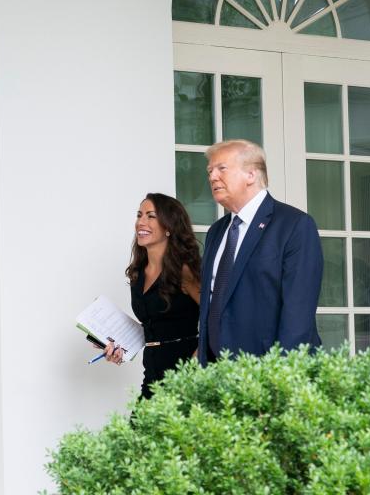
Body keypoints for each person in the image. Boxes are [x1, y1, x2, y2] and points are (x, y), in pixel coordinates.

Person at [198, 139, 323, 365]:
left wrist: (280, 376)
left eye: (221, 169)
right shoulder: (216, 232)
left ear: (251, 175)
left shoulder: (294, 225)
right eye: (210, 171)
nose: (213, 177)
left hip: (269, 375)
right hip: (218, 374)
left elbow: (298, 315)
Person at [101, 193, 201, 398]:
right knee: (137, 429)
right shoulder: (137, 273)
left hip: (187, 377)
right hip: (152, 376)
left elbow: (217, 317)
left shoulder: (184, 271)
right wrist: (120, 348)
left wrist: (196, 364)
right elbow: (154, 327)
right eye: (139, 215)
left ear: (169, 227)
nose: (141, 222)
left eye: (150, 216)